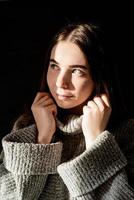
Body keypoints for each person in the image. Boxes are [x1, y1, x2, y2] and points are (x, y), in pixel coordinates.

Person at [0, 21, 134, 200]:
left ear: (99, 77)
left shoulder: (127, 135)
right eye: (54, 66)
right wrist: (42, 139)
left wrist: (96, 142)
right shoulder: (26, 127)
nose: (60, 82)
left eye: (77, 71)